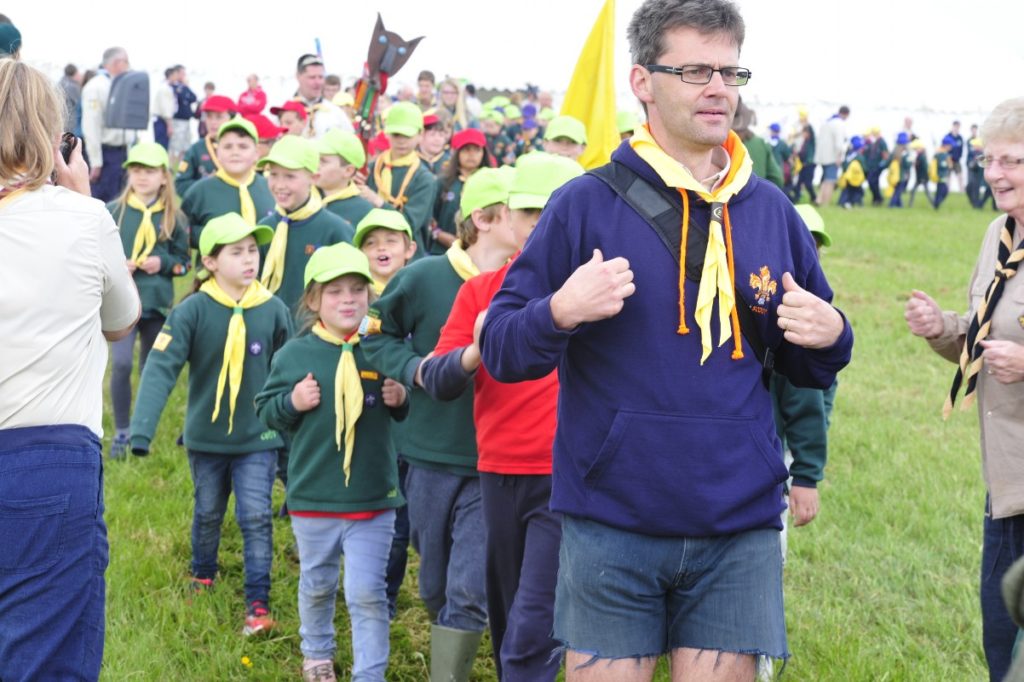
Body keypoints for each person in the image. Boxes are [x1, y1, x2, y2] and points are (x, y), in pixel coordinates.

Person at [480, 1, 854, 679]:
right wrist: (559, 311)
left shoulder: (771, 210)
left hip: (737, 523)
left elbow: (809, 365)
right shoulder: (584, 204)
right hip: (610, 521)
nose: (719, 89)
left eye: (730, 72)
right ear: (643, 82)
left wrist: (833, 335)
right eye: (695, 71)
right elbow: (503, 348)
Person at [0, 58, 140, 682]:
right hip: (45, 456)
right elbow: (121, 320)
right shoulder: (83, 218)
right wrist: (82, 197)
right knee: (44, 658)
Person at [420, 152, 584, 682]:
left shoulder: (602, 295)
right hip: (496, 474)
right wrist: (477, 348)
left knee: (532, 626)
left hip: (566, 479)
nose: (541, 225)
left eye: (554, 212)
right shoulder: (480, 291)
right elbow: (437, 378)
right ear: (508, 217)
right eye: (531, 212)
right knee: (508, 616)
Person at [362, 167, 521, 681]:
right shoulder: (423, 276)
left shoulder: (529, 280)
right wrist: (414, 370)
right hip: (428, 453)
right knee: (433, 582)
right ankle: (450, 628)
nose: (533, 222)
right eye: (521, 212)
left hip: (494, 459)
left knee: (468, 589)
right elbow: (371, 331)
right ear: (484, 219)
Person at [904, 97, 1024, 682]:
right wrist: (942, 328)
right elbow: (986, 336)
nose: (995, 174)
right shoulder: (999, 235)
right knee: (1002, 635)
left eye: (1012, 161)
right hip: (1008, 482)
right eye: (987, 160)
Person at [130, 213, 290, 637]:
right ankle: (203, 575)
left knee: (256, 516)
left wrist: (294, 432)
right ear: (211, 262)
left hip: (259, 437)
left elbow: (290, 370)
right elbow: (160, 366)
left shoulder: (273, 310)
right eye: (236, 252)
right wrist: (142, 429)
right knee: (207, 512)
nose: (249, 259)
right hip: (206, 439)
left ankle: (258, 603)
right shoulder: (192, 311)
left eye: (253, 250)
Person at [256, 243, 409, 682]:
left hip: (373, 497)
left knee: (367, 593)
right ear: (313, 300)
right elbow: (265, 410)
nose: (348, 300)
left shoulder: (382, 349)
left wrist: (402, 399)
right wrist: (292, 401)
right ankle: (317, 654)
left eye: (357, 290)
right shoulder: (294, 355)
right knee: (318, 583)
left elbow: (411, 409)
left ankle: (369, 673)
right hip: (313, 496)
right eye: (335, 291)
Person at [106, 143, 190, 459]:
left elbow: (185, 263)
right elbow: (97, 255)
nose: (142, 177)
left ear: (164, 177)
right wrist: (117, 265)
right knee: (122, 363)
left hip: (156, 303)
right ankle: (122, 429)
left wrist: (163, 263)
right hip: (121, 302)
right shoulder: (113, 212)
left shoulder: (174, 217)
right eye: (136, 170)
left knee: (149, 367)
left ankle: (143, 429)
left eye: (150, 171)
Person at [257, 135, 354, 317]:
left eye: (290, 176)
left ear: (314, 178)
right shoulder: (265, 229)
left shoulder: (335, 229)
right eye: (273, 174)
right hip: (270, 325)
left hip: (316, 328)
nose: (279, 185)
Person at [181, 116, 276, 258]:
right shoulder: (199, 192)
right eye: (227, 147)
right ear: (217, 153)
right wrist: (214, 236)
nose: (235, 152)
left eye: (243, 147)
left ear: (256, 153)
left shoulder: (271, 188)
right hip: (215, 270)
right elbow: (180, 234)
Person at [363, 101, 439, 257]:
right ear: (387, 134)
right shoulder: (372, 168)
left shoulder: (424, 178)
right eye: (396, 134)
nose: (401, 141)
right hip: (371, 252)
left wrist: (377, 201)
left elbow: (408, 223)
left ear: (420, 135)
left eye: (407, 135)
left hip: (407, 257)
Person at [82, 46, 136, 201]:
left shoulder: (120, 84)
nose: (128, 66)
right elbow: (91, 126)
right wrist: (96, 161)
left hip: (123, 152)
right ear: (118, 62)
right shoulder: (96, 87)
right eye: (126, 62)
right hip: (106, 154)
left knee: (121, 199)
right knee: (104, 200)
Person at [433, 128, 493, 255]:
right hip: (442, 250)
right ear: (457, 153)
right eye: (466, 150)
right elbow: (430, 217)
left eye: (476, 150)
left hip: (481, 250)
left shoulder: (491, 183)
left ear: (483, 153)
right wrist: (439, 234)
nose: (471, 154)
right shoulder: (443, 182)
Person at [175, 94, 237, 197]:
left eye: (219, 117)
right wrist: (206, 184)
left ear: (231, 118)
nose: (213, 122)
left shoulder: (242, 148)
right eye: (209, 117)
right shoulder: (196, 149)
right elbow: (180, 185)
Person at [317, 128, 375, 227]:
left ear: (348, 171)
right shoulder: (303, 197)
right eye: (316, 158)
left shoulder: (363, 211)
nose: (316, 165)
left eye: (323, 161)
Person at [293, 54, 351, 140]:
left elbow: (350, 143)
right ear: (298, 77)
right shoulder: (283, 110)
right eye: (312, 77)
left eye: (321, 77)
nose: (318, 82)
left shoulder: (336, 112)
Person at [813, 105, 849, 207]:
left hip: (822, 156)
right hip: (832, 156)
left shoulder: (827, 122)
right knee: (830, 180)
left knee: (825, 179)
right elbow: (839, 143)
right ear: (846, 114)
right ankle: (825, 202)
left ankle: (819, 199)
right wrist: (839, 156)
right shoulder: (839, 124)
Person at [169, 65, 197, 167]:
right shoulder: (173, 87)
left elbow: (193, 98)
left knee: (186, 145)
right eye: (182, 73)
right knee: (176, 145)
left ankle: (182, 166)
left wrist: (187, 86)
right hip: (177, 120)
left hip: (186, 120)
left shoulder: (184, 87)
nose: (184, 76)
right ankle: (172, 166)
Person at [59, 63, 82, 134]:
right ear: (75, 74)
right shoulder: (73, 87)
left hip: (61, 121)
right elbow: (79, 104)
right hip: (71, 123)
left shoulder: (60, 83)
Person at [948, 120, 965, 192]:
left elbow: (961, 149)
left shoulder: (960, 138)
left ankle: (961, 191)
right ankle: (947, 190)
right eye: (955, 126)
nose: (956, 128)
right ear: (953, 126)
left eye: (958, 127)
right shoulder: (948, 136)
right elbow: (944, 148)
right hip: (949, 160)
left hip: (957, 160)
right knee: (948, 176)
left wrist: (959, 156)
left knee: (960, 175)